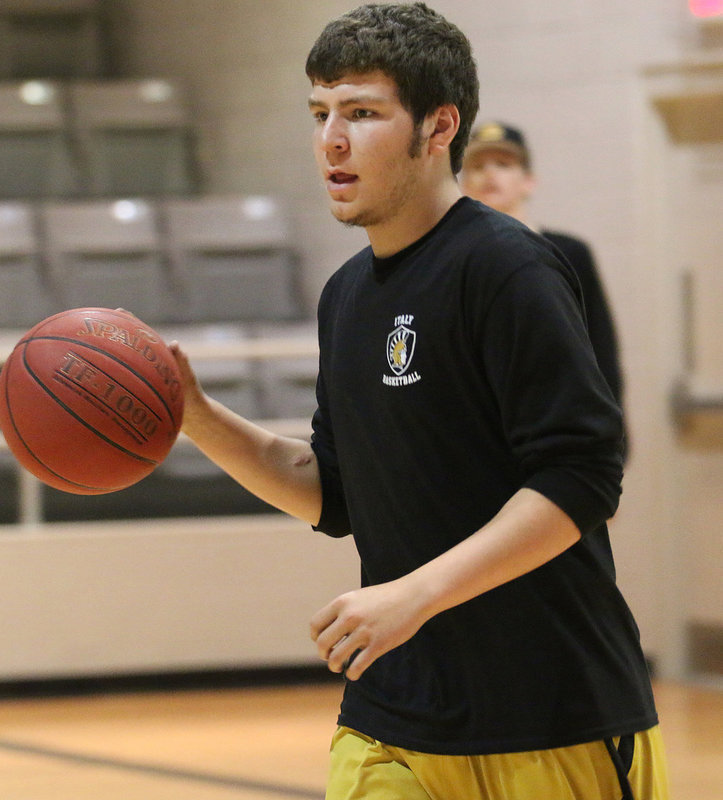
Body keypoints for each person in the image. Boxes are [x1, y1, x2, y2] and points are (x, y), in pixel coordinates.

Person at [169, 3, 667, 798]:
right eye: (320, 113)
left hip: (547, 713)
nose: (331, 139)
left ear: (438, 128)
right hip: (391, 711)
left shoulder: (506, 268)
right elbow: (331, 489)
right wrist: (194, 415)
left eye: (362, 113)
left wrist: (414, 596)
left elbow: (580, 478)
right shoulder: (345, 296)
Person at [460, 121, 625, 415]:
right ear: (463, 185)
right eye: (478, 165)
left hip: (560, 416)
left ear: (528, 181)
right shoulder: (454, 260)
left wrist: (612, 427)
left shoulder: (570, 253)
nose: (490, 173)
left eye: (503, 164)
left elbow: (600, 346)